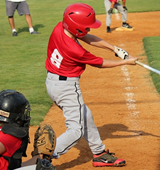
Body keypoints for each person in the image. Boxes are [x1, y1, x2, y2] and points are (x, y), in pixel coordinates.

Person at [45, 3, 138, 167]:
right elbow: (100, 63)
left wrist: (114, 48)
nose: (89, 30)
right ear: (77, 28)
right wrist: (125, 63)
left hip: (53, 83)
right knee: (76, 130)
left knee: (86, 116)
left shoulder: (60, 27)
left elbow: (85, 37)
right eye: (86, 27)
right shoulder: (74, 50)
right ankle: (44, 157)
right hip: (67, 88)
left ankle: (99, 153)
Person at [0, 90, 55, 170]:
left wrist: (40, 158)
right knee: (45, 168)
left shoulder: (1, 130)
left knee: (41, 164)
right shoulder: (11, 135)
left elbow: (14, 166)